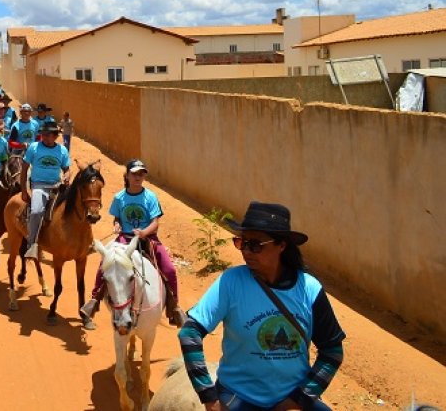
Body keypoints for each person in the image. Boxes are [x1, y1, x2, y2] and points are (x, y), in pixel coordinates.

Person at [180, 202, 345, 411]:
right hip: (239, 398)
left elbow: (332, 352)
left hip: (292, 398)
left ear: (282, 246)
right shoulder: (231, 282)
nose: (246, 251)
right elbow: (189, 333)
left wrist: (298, 400)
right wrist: (210, 398)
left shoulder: (309, 289)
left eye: (256, 245)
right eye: (242, 243)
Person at [81, 159, 186, 327]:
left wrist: (144, 232)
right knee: (105, 263)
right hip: (125, 238)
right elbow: (117, 217)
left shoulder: (150, 196)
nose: (138, 177)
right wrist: (117, 224)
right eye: (134, 174)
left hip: (148, 239)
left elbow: (155, 222)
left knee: (170, 269)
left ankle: (174, 308)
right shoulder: (119, 197)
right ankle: (94, 300)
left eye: (141, 174)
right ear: (127, 176)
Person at [20, 122, 71, 260]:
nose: (44, 136)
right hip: (39, 186)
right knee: (36, 211)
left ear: (55, 136)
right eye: (43, 134)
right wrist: (24, 190)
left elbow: (66, 169)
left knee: (76, 204)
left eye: (48, 134)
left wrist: (67, 177)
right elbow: (24, 168)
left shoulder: (62, 150)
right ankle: (31, 245)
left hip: (57, 186)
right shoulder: (34, 147)